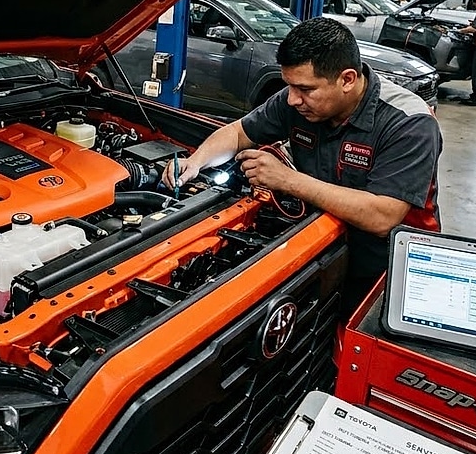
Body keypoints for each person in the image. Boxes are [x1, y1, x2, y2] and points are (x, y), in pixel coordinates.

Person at [163, 18, 443, 315]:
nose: (293, 99)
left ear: (347, 79)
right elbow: (237, 133)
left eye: (305, 89)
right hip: (324, 247)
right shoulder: (297, 101)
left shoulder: (409, 123)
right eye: (289, 86)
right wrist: (195, 162)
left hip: (391, 270)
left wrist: (287, 180)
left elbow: (382, 217)